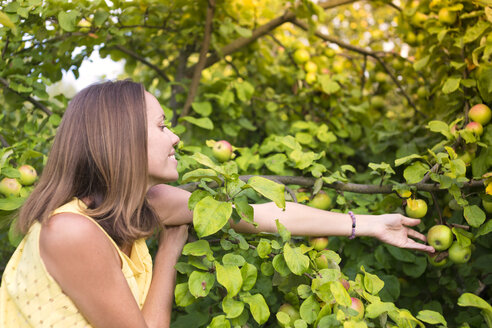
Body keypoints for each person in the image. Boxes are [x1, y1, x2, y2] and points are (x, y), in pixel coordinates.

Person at [0, 80, 434, 328]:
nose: (175, 138)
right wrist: (170, 249)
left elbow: (263, 214)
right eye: (162, 126)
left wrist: (367, 222)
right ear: (122, 138)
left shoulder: (144, 203)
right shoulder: (72, 231)